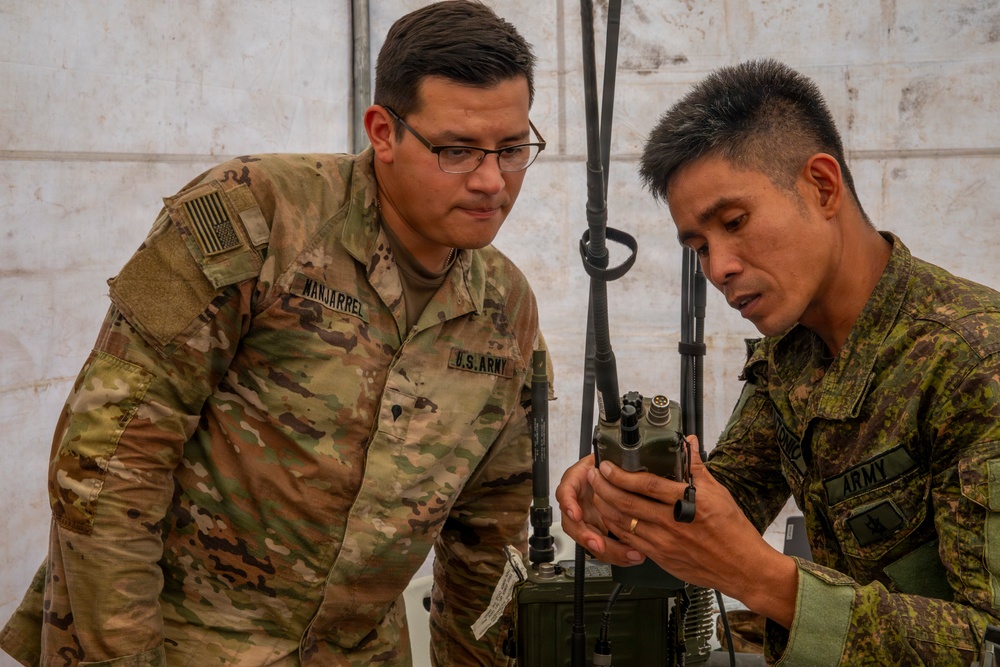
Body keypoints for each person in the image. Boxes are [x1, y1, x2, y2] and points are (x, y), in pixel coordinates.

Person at [0, 2, 549, 665]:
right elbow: (107, 456)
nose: (491, 181)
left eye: (511, 150)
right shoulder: (253, 213)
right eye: (456, 150)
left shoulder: (506, 309)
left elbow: (491, 535)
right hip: (181, 644)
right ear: (383, 132)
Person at [556, 59, 1000, 665]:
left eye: (735, 222)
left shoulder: (975, 362)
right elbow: (729, 500)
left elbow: (989, 643)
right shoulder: (789, 352)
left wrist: (763, 580)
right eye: (699, 247)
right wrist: (624, 495)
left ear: (822, 186)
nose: (719, 268)